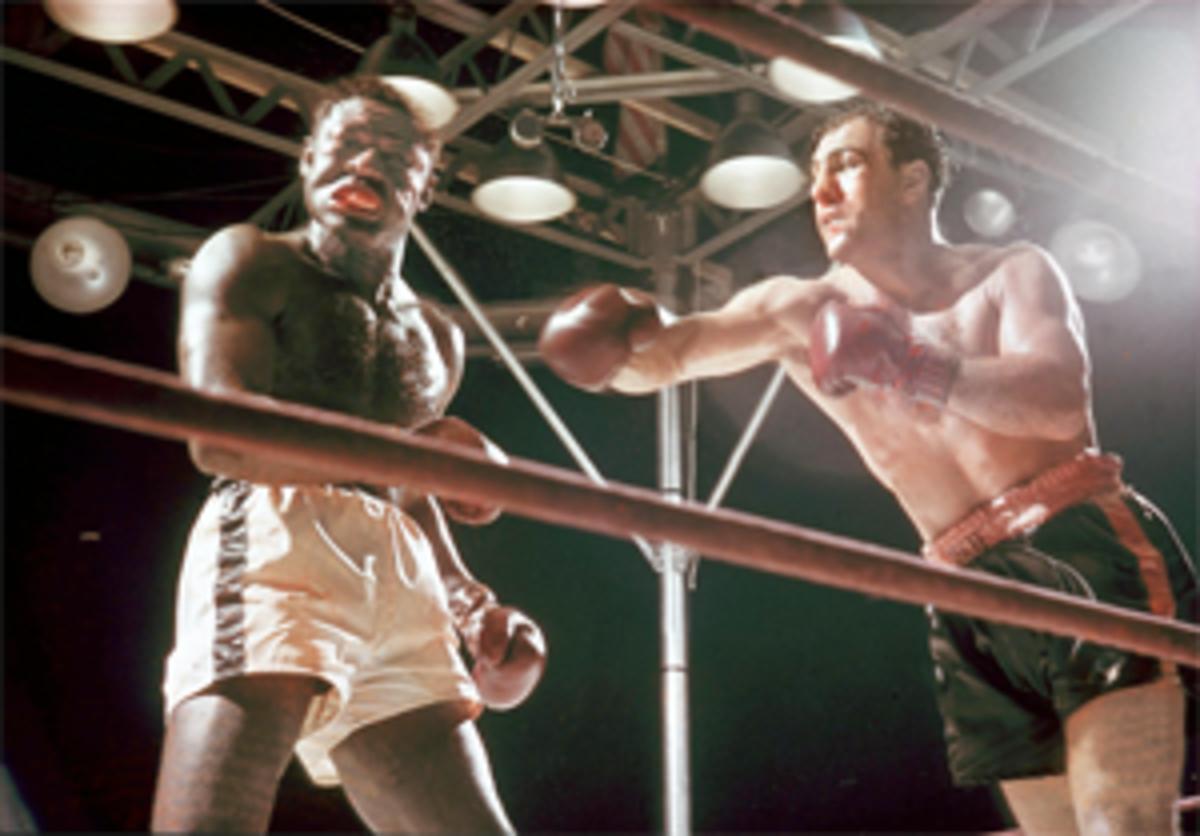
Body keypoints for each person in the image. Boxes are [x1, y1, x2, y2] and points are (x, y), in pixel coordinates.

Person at [538, 100, 1196, 835]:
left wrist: (911, 364)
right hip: (961, 585)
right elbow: (672, 354)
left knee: (1124, 825)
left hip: (1075, 541)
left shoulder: (1012, 272)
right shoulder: (798, 307)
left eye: (847, 165)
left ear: (913, 181)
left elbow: (1054, 404)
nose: (821, 193)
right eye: (815, 175)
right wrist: (607, 350)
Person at [153, 75, 547, 833]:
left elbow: (406, 490)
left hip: (399, 573)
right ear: (307, 161)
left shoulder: (437, 336)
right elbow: (219, 435)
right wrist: (408, 451)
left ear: (426, 188)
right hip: (275, 539)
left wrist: (471, 602)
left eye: (393, 155)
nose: (364, 164)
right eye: (346, 145)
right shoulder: (248, 259)